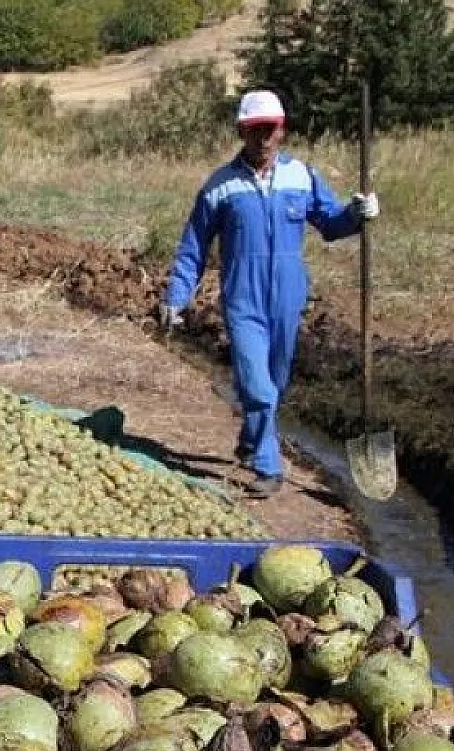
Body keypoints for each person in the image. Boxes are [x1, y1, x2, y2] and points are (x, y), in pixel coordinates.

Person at [158, 89, 379, 498]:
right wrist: (177, 295)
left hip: (288, 296)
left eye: (269, 129)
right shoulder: (219, 187)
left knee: (275, 382)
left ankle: (250, 438)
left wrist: (356, 214)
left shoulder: (302, 177)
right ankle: (267, 466)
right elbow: (194, 247)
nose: (263, 138)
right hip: (242, 298)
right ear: (241, 132)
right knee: (257, 384)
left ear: (282, 130)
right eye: (254, 129)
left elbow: (331, 224)